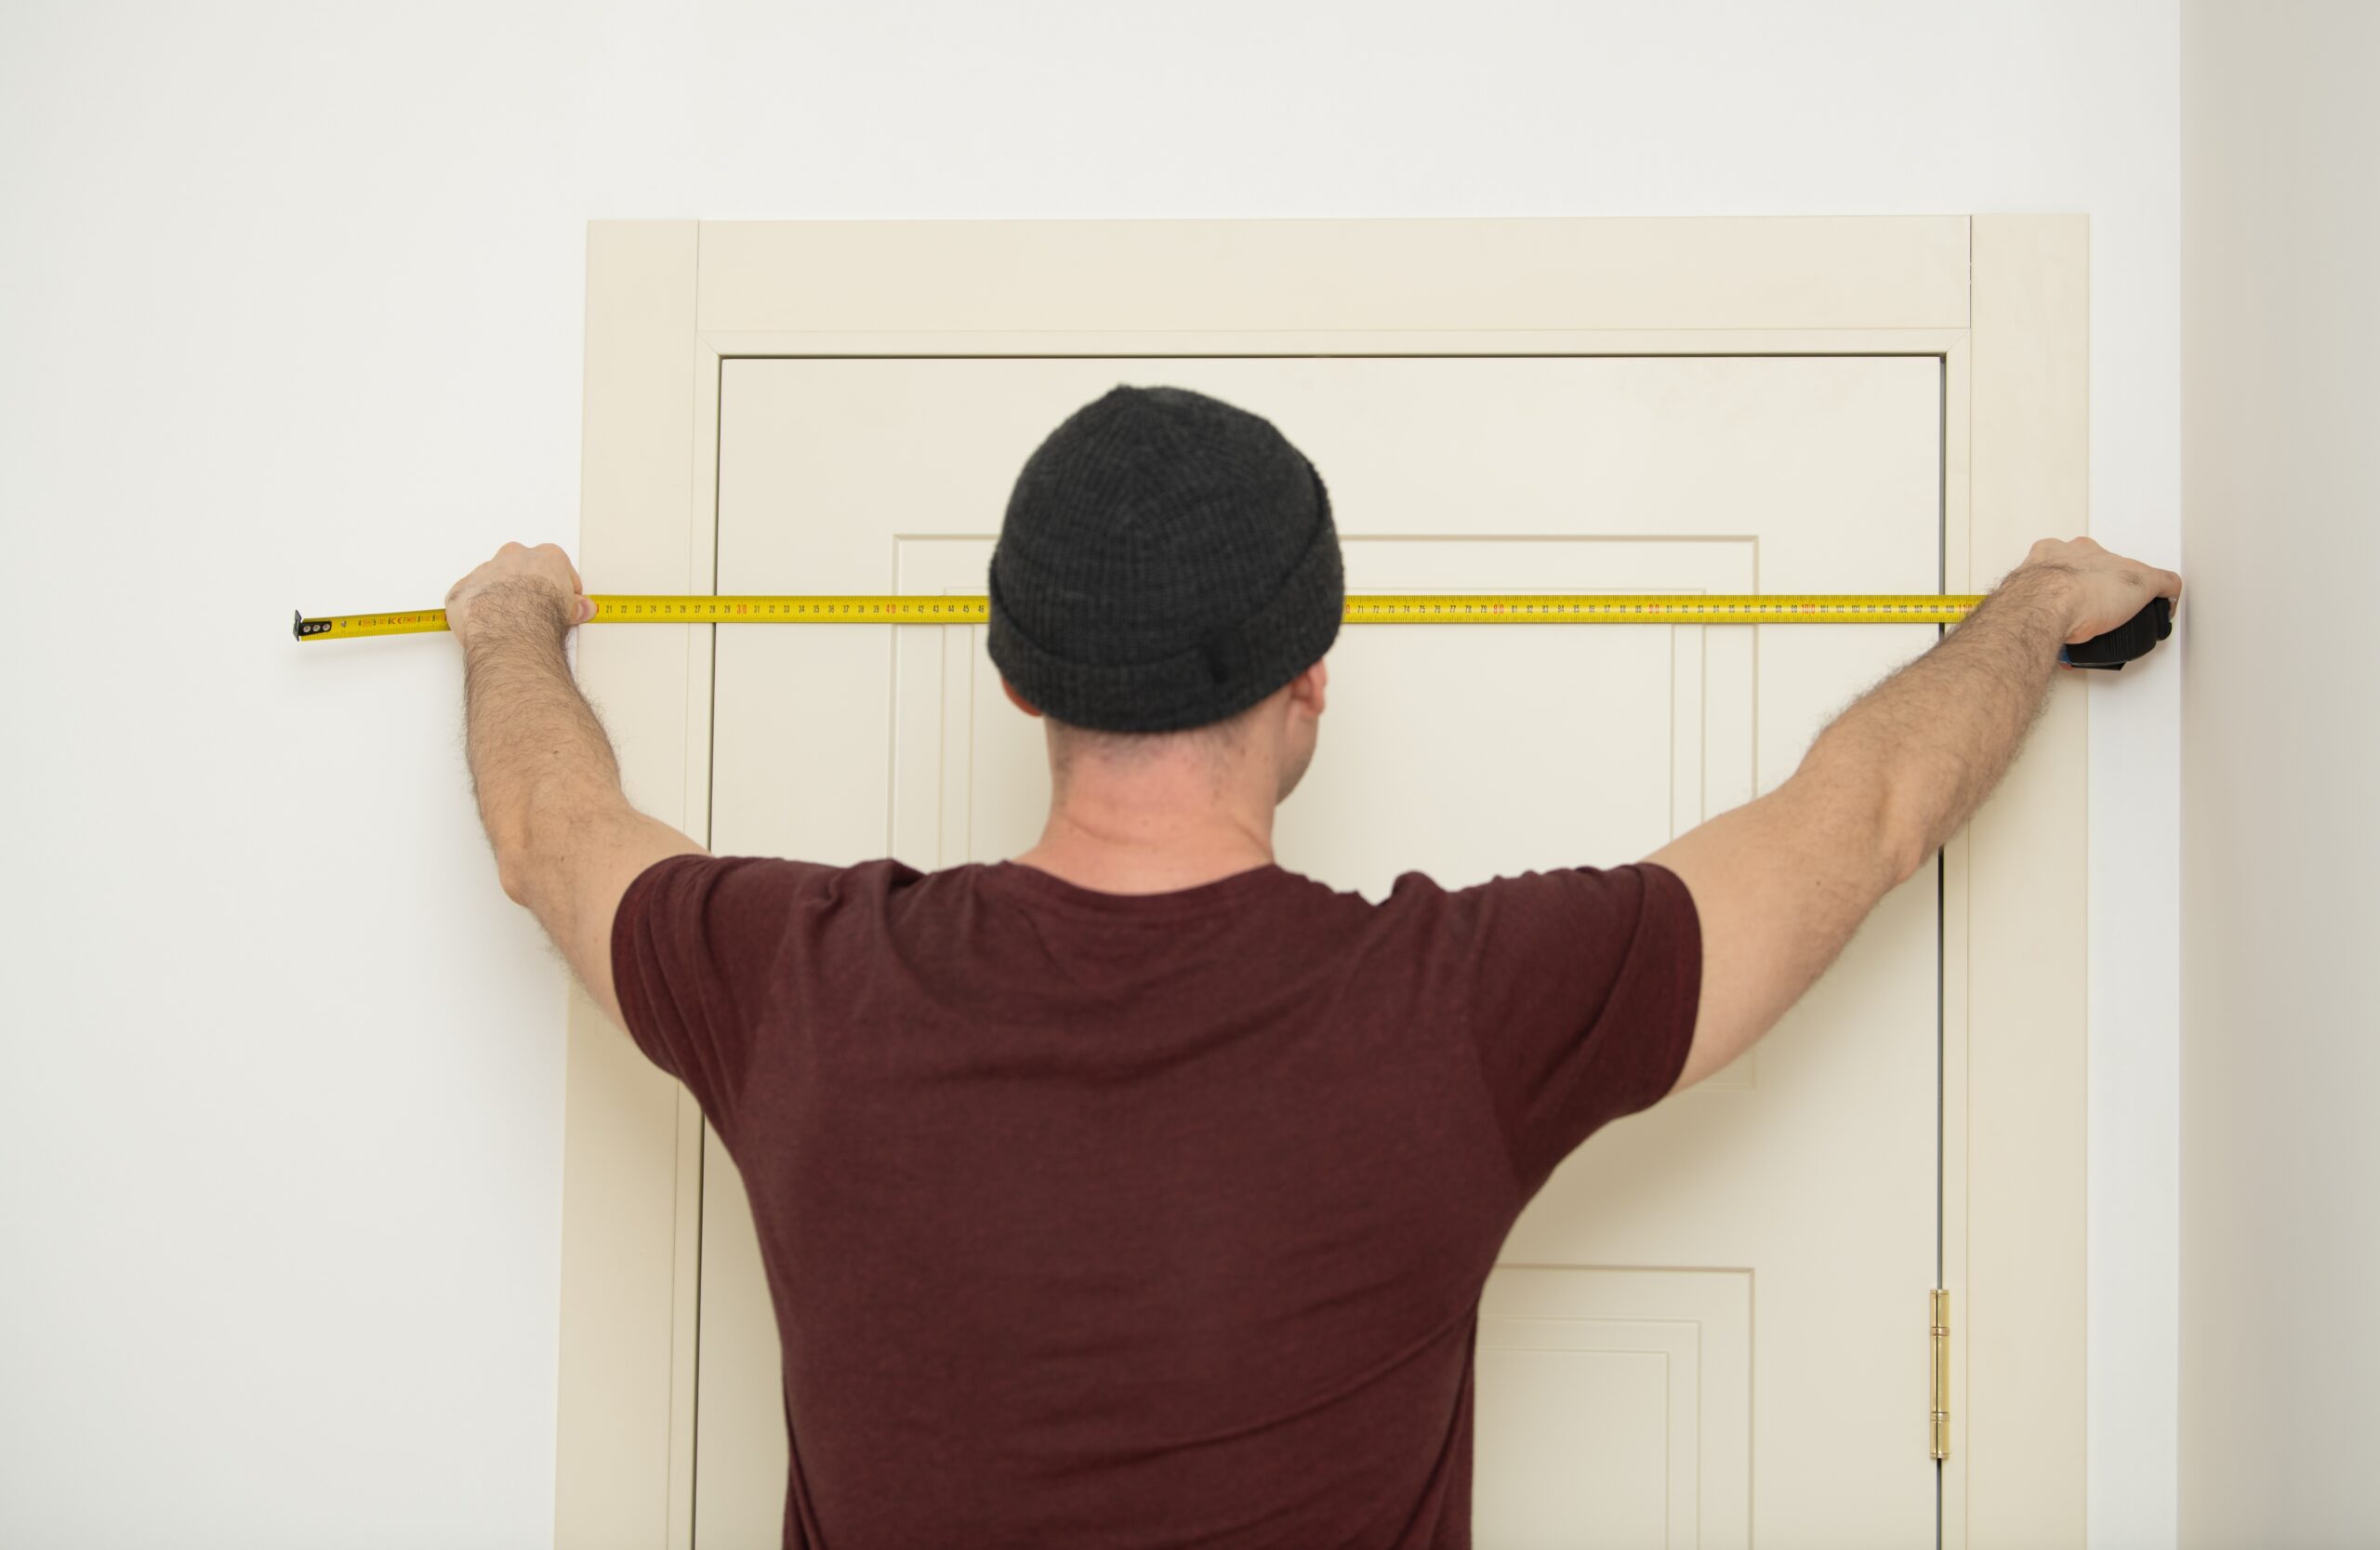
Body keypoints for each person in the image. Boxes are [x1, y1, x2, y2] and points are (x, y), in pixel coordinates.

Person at [449, 384, 2181, 1549]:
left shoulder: (795, 985)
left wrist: (511, 622)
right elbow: (1860, 817)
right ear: (1314, 676)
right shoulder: (1464, 1013)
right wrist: (2031, 610)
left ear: (1019, 683)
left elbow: (549, 834)